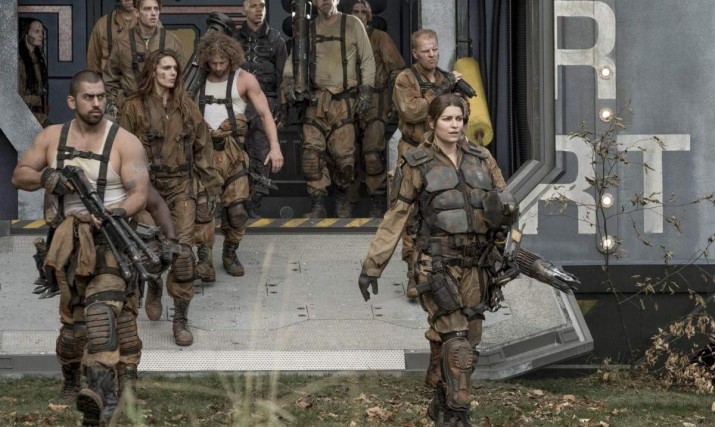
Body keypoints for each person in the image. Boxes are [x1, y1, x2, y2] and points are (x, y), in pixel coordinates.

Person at [359, 94, 514, 426]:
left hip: (477, 265)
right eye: (447, 119)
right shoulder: (416, 163)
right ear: (432, 122)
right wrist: (373, 265)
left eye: (459, 119)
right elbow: (396, 215)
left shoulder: (482, 158)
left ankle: (442, 403)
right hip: (436, 264)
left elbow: (506, 206)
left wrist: (506, 248)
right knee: (456, 342)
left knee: (470, 340)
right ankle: (458, 415)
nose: (455, 125)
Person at [11, 70, 150, 425]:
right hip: (68, 248)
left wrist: (118, 212)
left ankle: (104, 401)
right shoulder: (52, 137)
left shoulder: (125, 142)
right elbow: (19, 174)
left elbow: (140, 192)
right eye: (89, 97)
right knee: (74, 332)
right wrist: (48, 177)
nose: (97, 103)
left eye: (101, 96)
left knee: (103, 317)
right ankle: (73, 379)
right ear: (72, 101)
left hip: (111, 241)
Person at [120, 49, 223, 346]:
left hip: (181, 186)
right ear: (153, 71)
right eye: (165, 68)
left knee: (183, 256)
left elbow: (202, 147)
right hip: (146, 187)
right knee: (150, 252)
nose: (172, 73)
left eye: (175, 69)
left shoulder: (186, 106)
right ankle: (153, 281)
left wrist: (210, 188)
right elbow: (121, 149)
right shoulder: (133, 106)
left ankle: (180, 319)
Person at [192, 31, 283, 281]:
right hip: (203, 154)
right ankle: (204, 260)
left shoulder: (245, 79)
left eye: (223, 62)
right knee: (203, 210)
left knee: (237, 211)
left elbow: (265, 114)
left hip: (233, 153)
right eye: (213, 62)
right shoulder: (195, 80)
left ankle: (230, 254)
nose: (218, 67)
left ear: (231, 58)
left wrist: (275, 147)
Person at [283, 0, 375, 218]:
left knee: (345, 160)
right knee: (311, 157)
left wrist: (366, 90)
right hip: (314, 101)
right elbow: (292, 62)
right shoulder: (306, 27)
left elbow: (367, 59)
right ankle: (318, 204)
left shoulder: (352, 24)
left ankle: (342, 199)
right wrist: (289, 84)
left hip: (343, 101)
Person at [393, 28, 462, 299]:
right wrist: (443, 91)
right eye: (425, 51)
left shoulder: (446, 77)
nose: (432, 55)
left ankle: (443, 272)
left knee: (445, 211)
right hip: (413, 151)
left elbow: (460, 113)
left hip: (442, 153)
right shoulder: (405, 79)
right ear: (415, 54)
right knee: (412, 214)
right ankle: (413, 273)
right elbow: (412, 111)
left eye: (435, 49)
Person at [348, 0, 405, 217]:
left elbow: (397, 70)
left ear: (369, 16)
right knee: (347, 156)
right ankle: (348, 201)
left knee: (372, 155)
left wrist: (395, 102)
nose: (360, 15)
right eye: (355, 11)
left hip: (375, 102)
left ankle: (377, 200)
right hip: (346, 102)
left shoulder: (380, 38)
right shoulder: (343, 37)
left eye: (364, 12)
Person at [236, 0, 287, 218]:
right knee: (235, 153)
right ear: (244, 9)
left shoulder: (276, 39)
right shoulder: (234, 40)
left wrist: (282, 108)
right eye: (254, 5)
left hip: (267, 103)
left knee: (262, 153)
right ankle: (235, 203)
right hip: (238, 103)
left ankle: (253, 204)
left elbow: (284, 78)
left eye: (262, 5)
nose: (259, 10)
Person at [104, 0, 184, 118]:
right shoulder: (122, 42)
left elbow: (181, 78)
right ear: (137, 12)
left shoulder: (172, 41)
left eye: (156, 9)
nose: (153, 13)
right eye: (147, 9)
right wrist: (117, 104)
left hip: (164, 110)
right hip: (129, 110)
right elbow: (110, 79)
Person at [86, 0, 137, 74]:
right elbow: (93, 62)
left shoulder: (150, 23)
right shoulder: (103, 24)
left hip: (141, 80)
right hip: (110, 79)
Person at [19, 18, 50, 127]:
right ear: (26, 33)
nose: (41, 35)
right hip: (24, 116)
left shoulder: (37, 58)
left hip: (39, 115)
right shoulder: (19, 61)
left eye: (42, 32)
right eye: (36, 31)